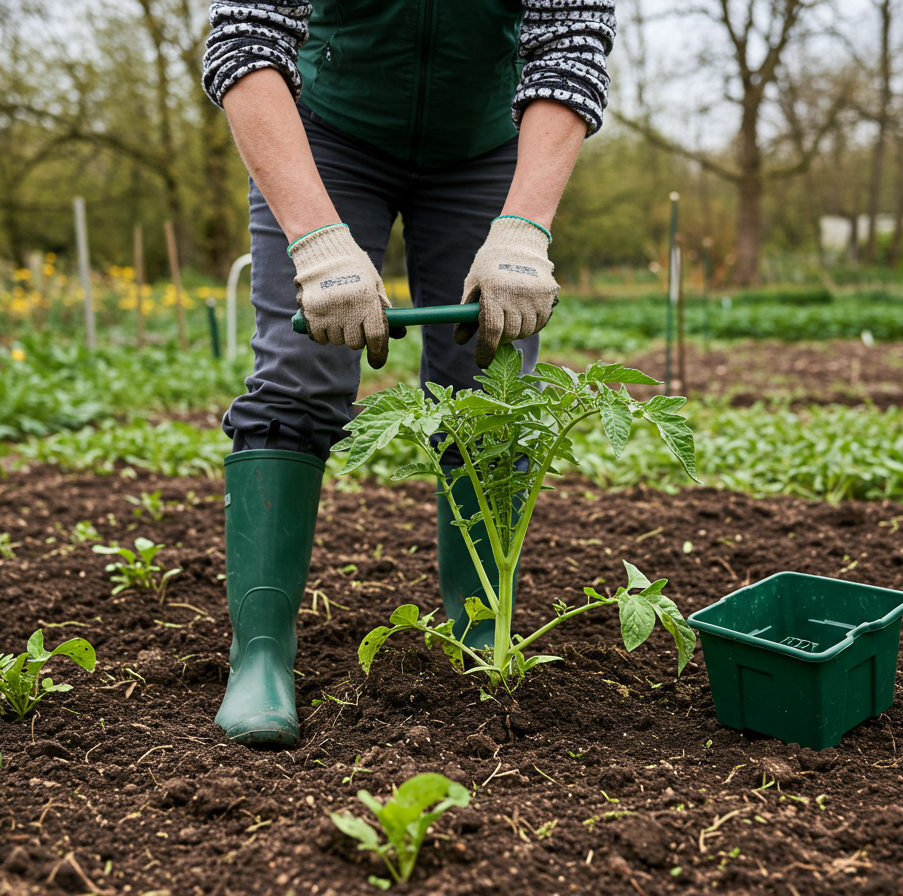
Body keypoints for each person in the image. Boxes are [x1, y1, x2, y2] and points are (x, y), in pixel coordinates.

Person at [202, 1, 616, 745]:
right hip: (325, 136)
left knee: (490, 393)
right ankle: (260, 652)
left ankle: (481, 629)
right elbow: (245, 40)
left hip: (490, 144)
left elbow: (571, 41)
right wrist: (318, 239)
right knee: (302, 376)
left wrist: (524, 227)